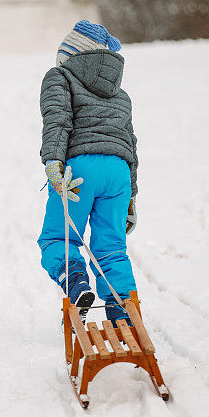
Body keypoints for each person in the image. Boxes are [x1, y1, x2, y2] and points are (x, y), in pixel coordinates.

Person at [37, 20, 139, 325]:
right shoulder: (120, 94)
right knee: (111, 247)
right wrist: (131, 196)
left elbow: (57, 118)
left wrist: (53, 161)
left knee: (58, 237)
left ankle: (76, 280)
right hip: (118, 173)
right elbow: (129, 142)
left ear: (70, 54)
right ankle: (124, 311)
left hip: (79, 170)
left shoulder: (59, 77)